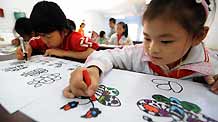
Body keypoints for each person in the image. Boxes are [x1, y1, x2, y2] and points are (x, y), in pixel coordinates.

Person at [63, 0, 218, 98]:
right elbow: (106, 55)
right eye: (147, 38)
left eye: (165, 41)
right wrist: (93, 69)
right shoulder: (138, 52)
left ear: (198, 36)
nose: (152, 49)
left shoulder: (210, 63)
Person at [16, 1, 99, 60]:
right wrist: (26, 49)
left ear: (64, 31)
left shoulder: (76, 39)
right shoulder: (41, 39)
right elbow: (30, 44)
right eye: (41, 35)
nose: (45, 41)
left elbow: (93, 51)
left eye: (49, 36)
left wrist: (62, 52)